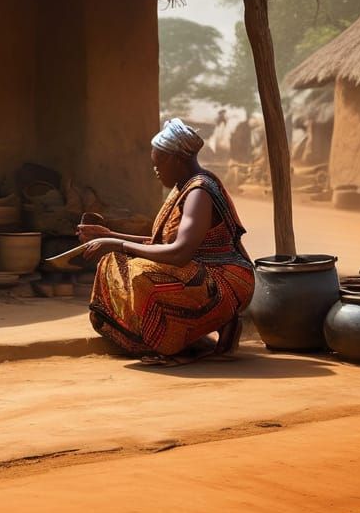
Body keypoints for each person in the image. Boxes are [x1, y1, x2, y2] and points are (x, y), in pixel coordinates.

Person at [80, 118, 255, 365]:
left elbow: (179, 253)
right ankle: (191, 335)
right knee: (113, 262)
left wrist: (117, 244)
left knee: (142, 277)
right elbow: (161, 243)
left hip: (225, 278)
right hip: (197, 269)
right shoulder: (183, 187)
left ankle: (178, 345)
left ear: (176, 159)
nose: (156, 170)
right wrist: (108, 235)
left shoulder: (199, 192)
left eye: (159, 163)